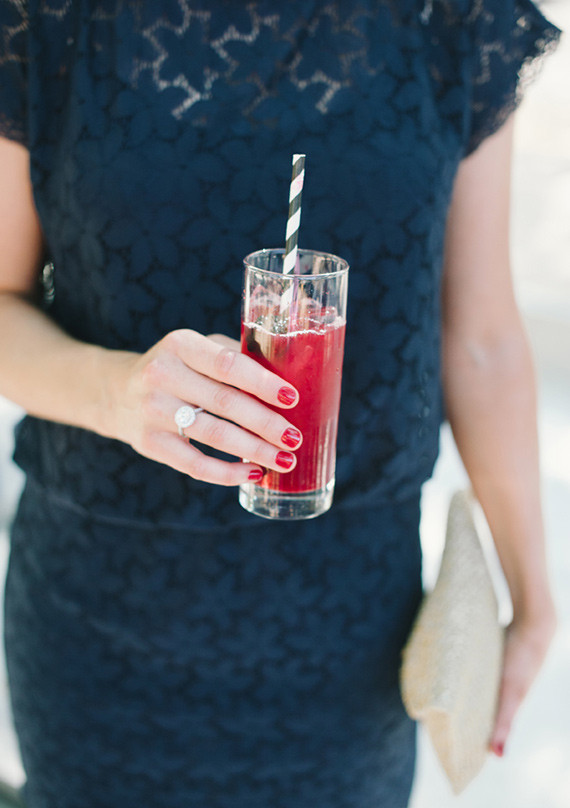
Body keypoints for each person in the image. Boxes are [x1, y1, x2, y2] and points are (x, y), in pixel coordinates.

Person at [0, 1, 560, 806]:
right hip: (103, 626)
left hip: (355, 634)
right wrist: (119, 392)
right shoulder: (48, 17)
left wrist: (534, 599)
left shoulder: (453, 18)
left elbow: (482, 342)